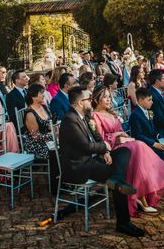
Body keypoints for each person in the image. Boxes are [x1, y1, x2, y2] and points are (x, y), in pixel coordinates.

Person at [58, 86, 144, 237]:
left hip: (91, 160)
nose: (91, 101)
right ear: (80, 103)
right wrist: (104, 146)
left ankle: (116, 179)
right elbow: (86, 146)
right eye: (88, 99)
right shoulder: (69, 120)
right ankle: (123, 223)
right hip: (79, 167)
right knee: (118, 181)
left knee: (124, 151)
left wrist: (105, 151)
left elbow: (97, 137)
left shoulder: (84, 115)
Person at [92, 86, 164, 215]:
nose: (109, 99)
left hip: (124, 145)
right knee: (139, 145)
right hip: (113, 150)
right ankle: (162, 172)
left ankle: (141, 196)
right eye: (105, 97)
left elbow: (119, 130)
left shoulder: (111, 113)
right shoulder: (95, 116)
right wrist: (117, 135)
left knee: (139, 153)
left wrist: (122, 135)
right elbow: (100, 139)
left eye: (109, 97)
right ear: (96, 99)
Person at [20, 83, 58, 194]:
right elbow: (35, 137)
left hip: (49, 139)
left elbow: (49, 124)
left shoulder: (44, 107)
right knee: (55, 152)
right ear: (33, 96)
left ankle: (64, 180)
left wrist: (55, 129)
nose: (44, 95)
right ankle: (55, 187)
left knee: (67, 147)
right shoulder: (30, 113)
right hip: (36, 144)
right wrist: (53, 136)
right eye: (41, 93)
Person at [129, 87, 164, 166]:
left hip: (153, 140)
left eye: (151, 99)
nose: (152, 102)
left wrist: (163, 141)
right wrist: (154, 144)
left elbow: (153, 131)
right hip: (144, 145)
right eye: (149, 100)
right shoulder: (135, 115)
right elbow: (137, 135)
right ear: (140, 101)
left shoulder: (149, 111)